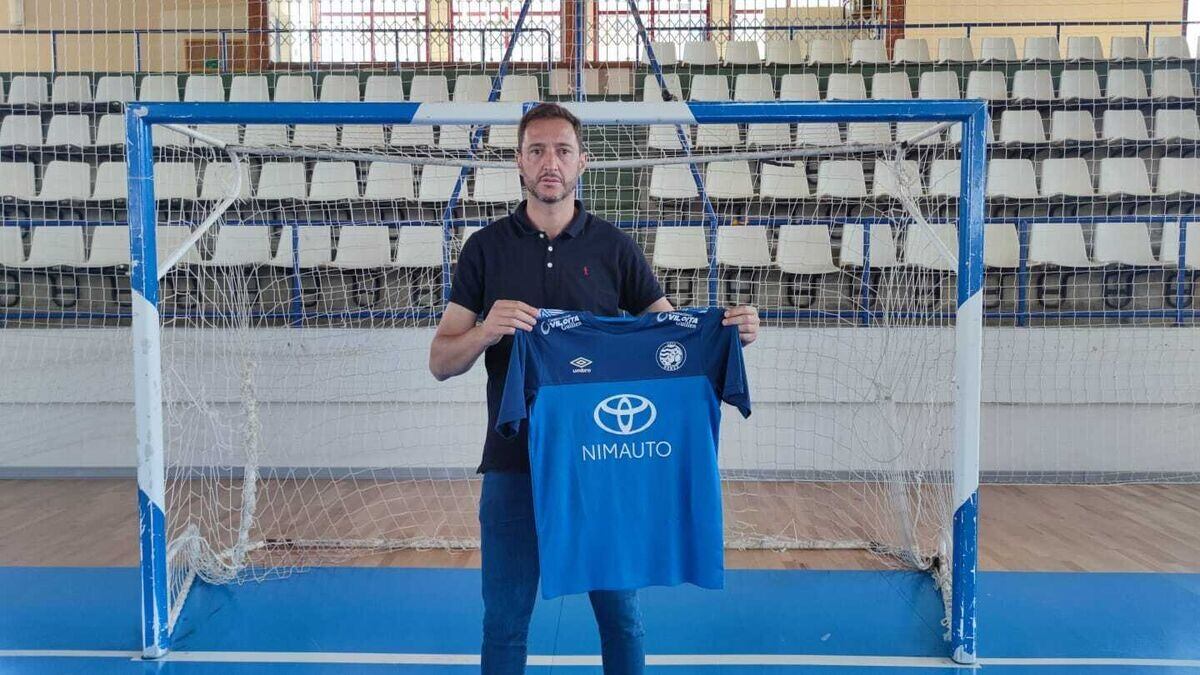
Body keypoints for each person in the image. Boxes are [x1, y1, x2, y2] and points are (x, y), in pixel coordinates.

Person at [428, 102, 760, 674]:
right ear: (519, 164)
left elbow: (672, 341)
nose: (549, 162)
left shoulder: (613, 248)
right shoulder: (484, 249)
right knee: (504, 625)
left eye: (561, 150)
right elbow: (439, 360)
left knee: (622, 619)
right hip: (513, 464)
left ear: (583, 162)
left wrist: (729, 335)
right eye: (536, 151)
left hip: (602, 466)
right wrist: (486, 331)